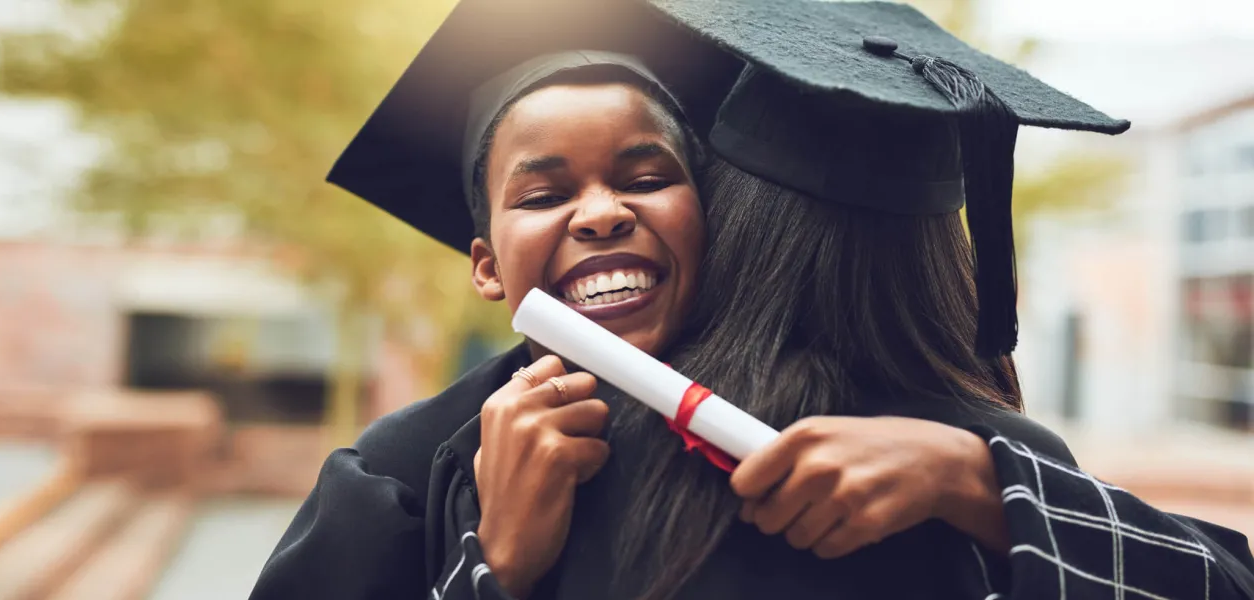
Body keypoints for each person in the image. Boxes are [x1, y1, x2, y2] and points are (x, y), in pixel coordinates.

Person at [602, 1, 1254, 599]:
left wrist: (499, 562)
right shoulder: (1002, 468)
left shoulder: (594, 415)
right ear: (945, 249)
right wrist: (977, 479)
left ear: (725, 210)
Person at [249, 0, 742, 597]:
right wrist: (494, 563)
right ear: (488, 270)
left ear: (707, 219)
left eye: (645, 181)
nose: (603, 214)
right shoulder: (397, 473)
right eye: (541, 197)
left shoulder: (809, 426)